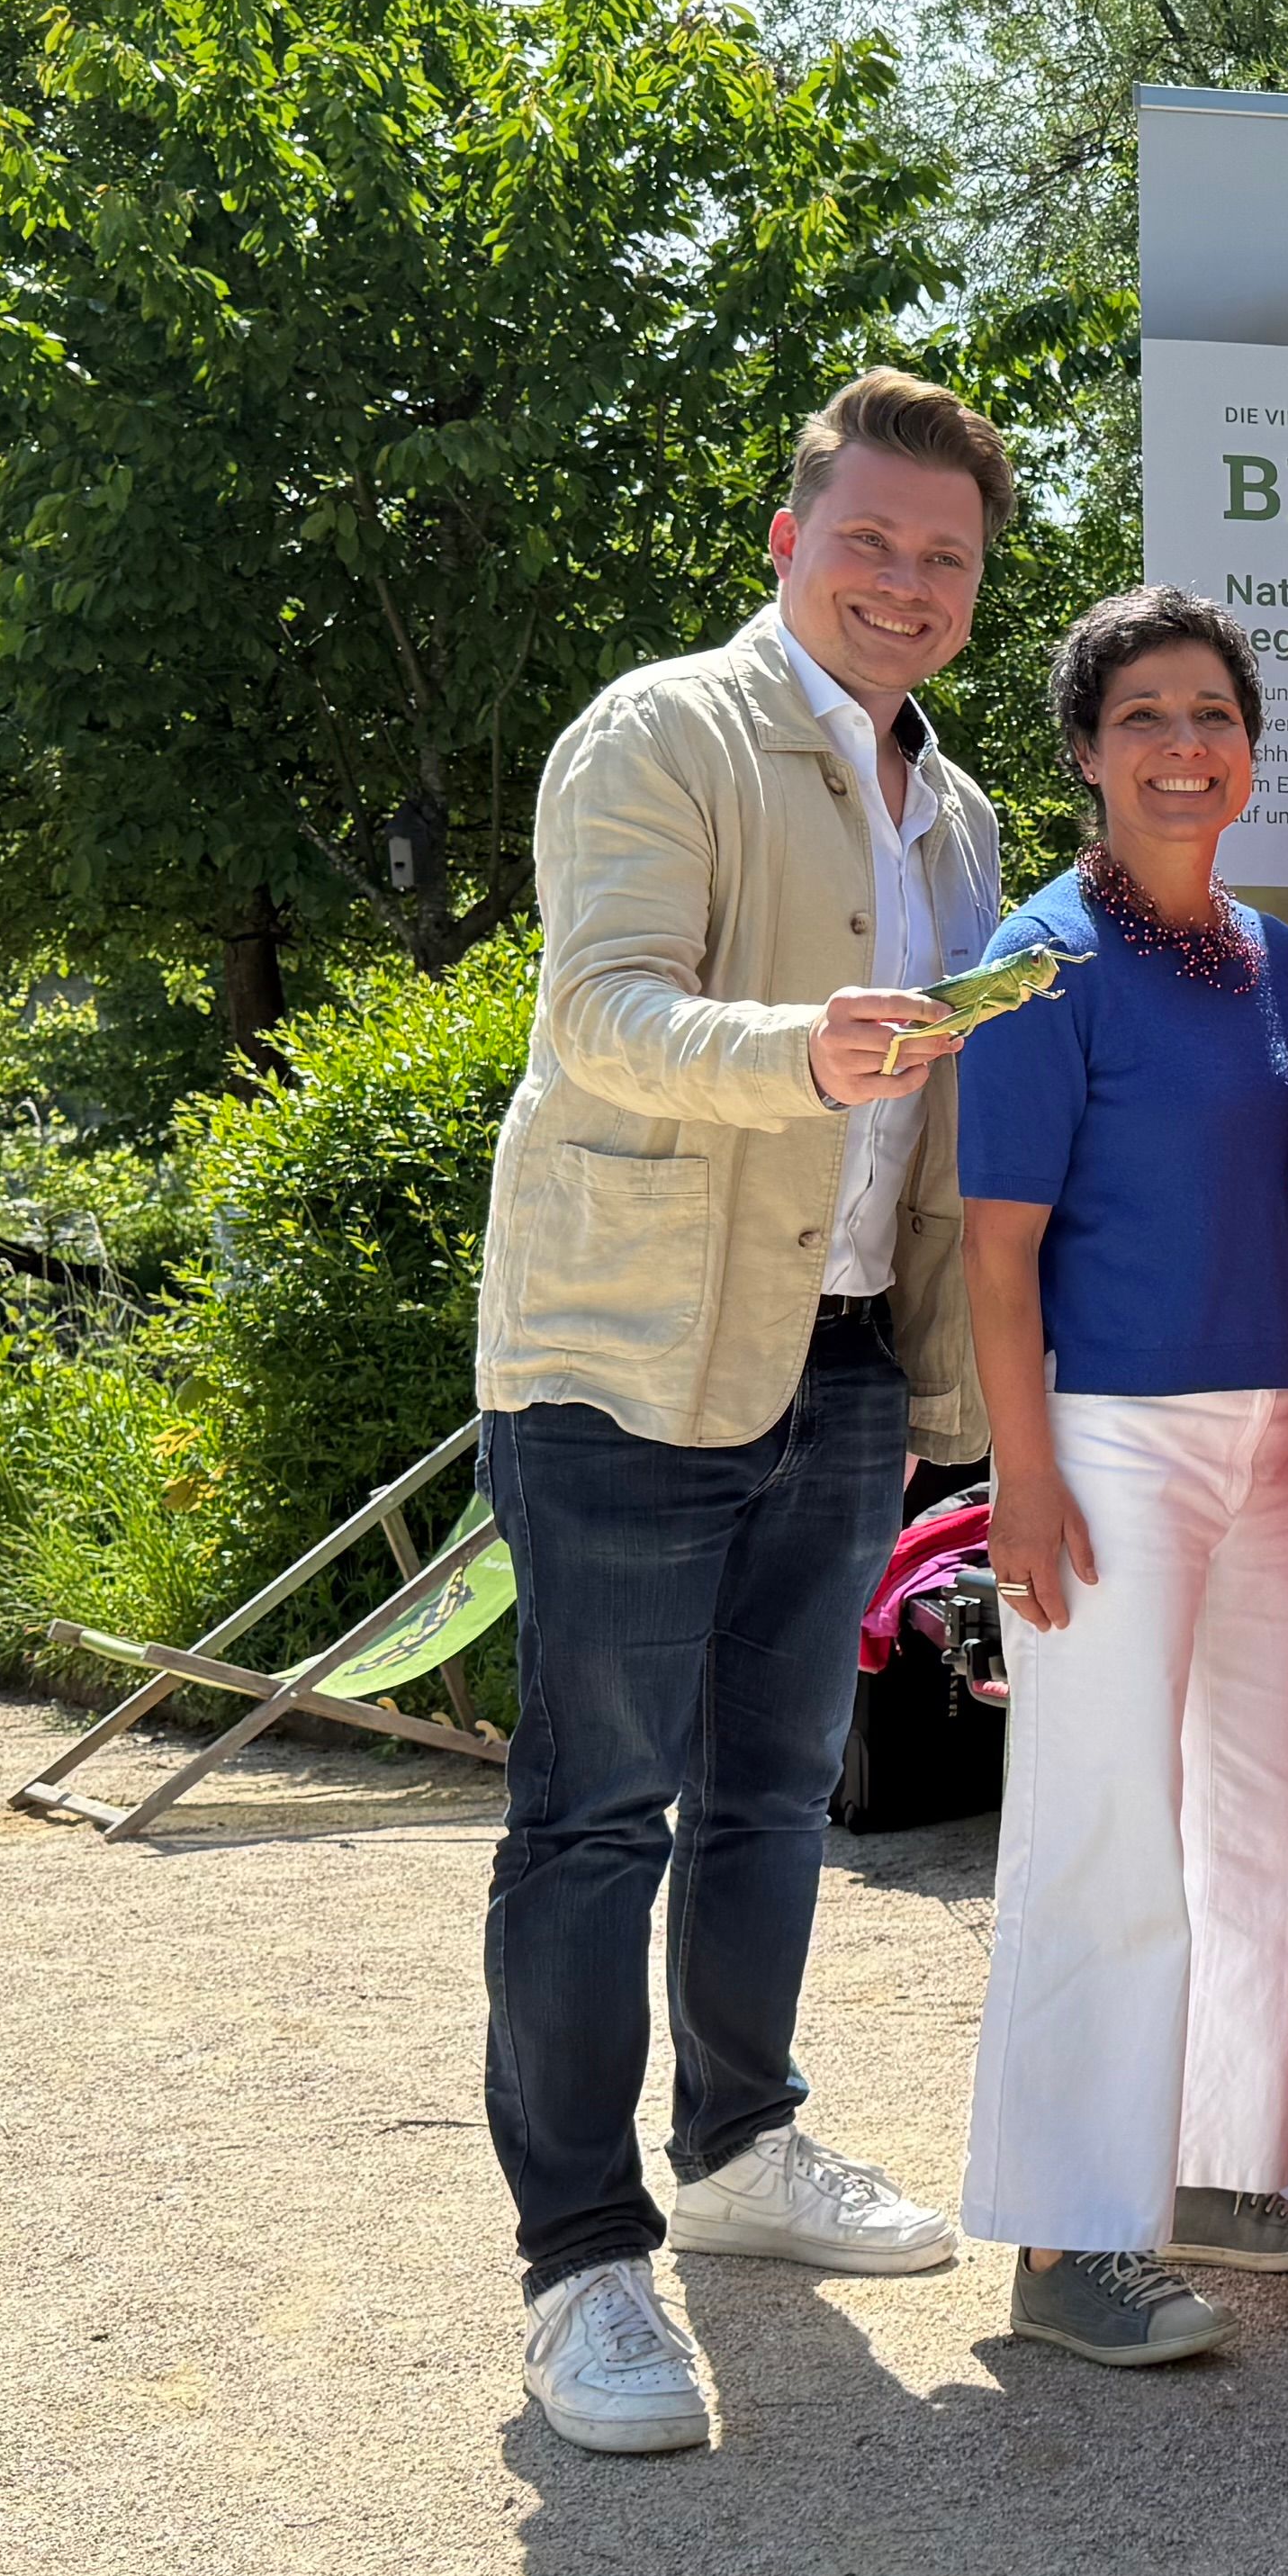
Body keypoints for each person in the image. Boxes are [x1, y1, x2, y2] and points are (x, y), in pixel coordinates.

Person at [473, 366, 1007, 2458]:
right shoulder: (663, 731)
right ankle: (580, 2261)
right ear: (790, 542)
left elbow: (945, 1116)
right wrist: (801, 1048)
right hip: (626, 1358)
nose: (906, 581)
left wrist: (949, 1370)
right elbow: (600, 1017)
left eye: (945, 555)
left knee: (779, 1796)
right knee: (597, 1814)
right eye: (869, 539)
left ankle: (740, 2148)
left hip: (841, 1359)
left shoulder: (959, 812)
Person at [949, 588, 1288, 2373]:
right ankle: (1063, 2239)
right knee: (1102, 1832)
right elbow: (995, 1250)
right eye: (1144, 719)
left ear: (1248, 749)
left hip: (1274, 1431)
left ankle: (1207, 2172)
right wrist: (1020, 1478)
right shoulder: (1039, 961)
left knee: (1273, 1831)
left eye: (1211, 716)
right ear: (1087, 755)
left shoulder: (1282, 961)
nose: (1183, 747)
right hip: (1107, 1436)